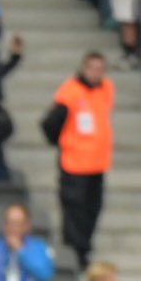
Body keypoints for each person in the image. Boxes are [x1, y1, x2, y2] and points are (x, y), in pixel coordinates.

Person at [41, 52, 114, 270]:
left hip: (97, 163)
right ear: (83, 68)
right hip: (74, 163)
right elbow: (50, 124)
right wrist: (65, 143)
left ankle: (84, 249)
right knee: (74, 210)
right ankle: (74, 254)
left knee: (93, 209)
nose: (96, 73)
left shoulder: (106, 88)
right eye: (92, 68)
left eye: (100, 69)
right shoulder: (70, 92)